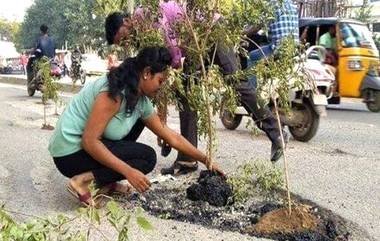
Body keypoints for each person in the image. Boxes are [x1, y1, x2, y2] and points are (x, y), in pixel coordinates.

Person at [48, 46, 223, 206]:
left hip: (87, 148)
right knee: (146, 158)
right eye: (160, 81)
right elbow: (89, 141)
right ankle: (82, 182)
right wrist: (128, 171)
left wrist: (207, 160)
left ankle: (105, 182)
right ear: (147, 73)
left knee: (140, 126)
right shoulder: (114, 92)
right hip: (69, 153)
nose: (161, 88)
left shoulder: (141, 100)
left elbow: (172, 136)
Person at [106, 6, 199, 175]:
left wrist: (174, 64)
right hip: (168, 62)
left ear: (127, 22)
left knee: (185, 98)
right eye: (122, 43)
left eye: (123, 37)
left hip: (193, 43)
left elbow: (167, 54)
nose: (126, 43)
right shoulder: (141, 41)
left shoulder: (144, 16)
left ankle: (188, 159)